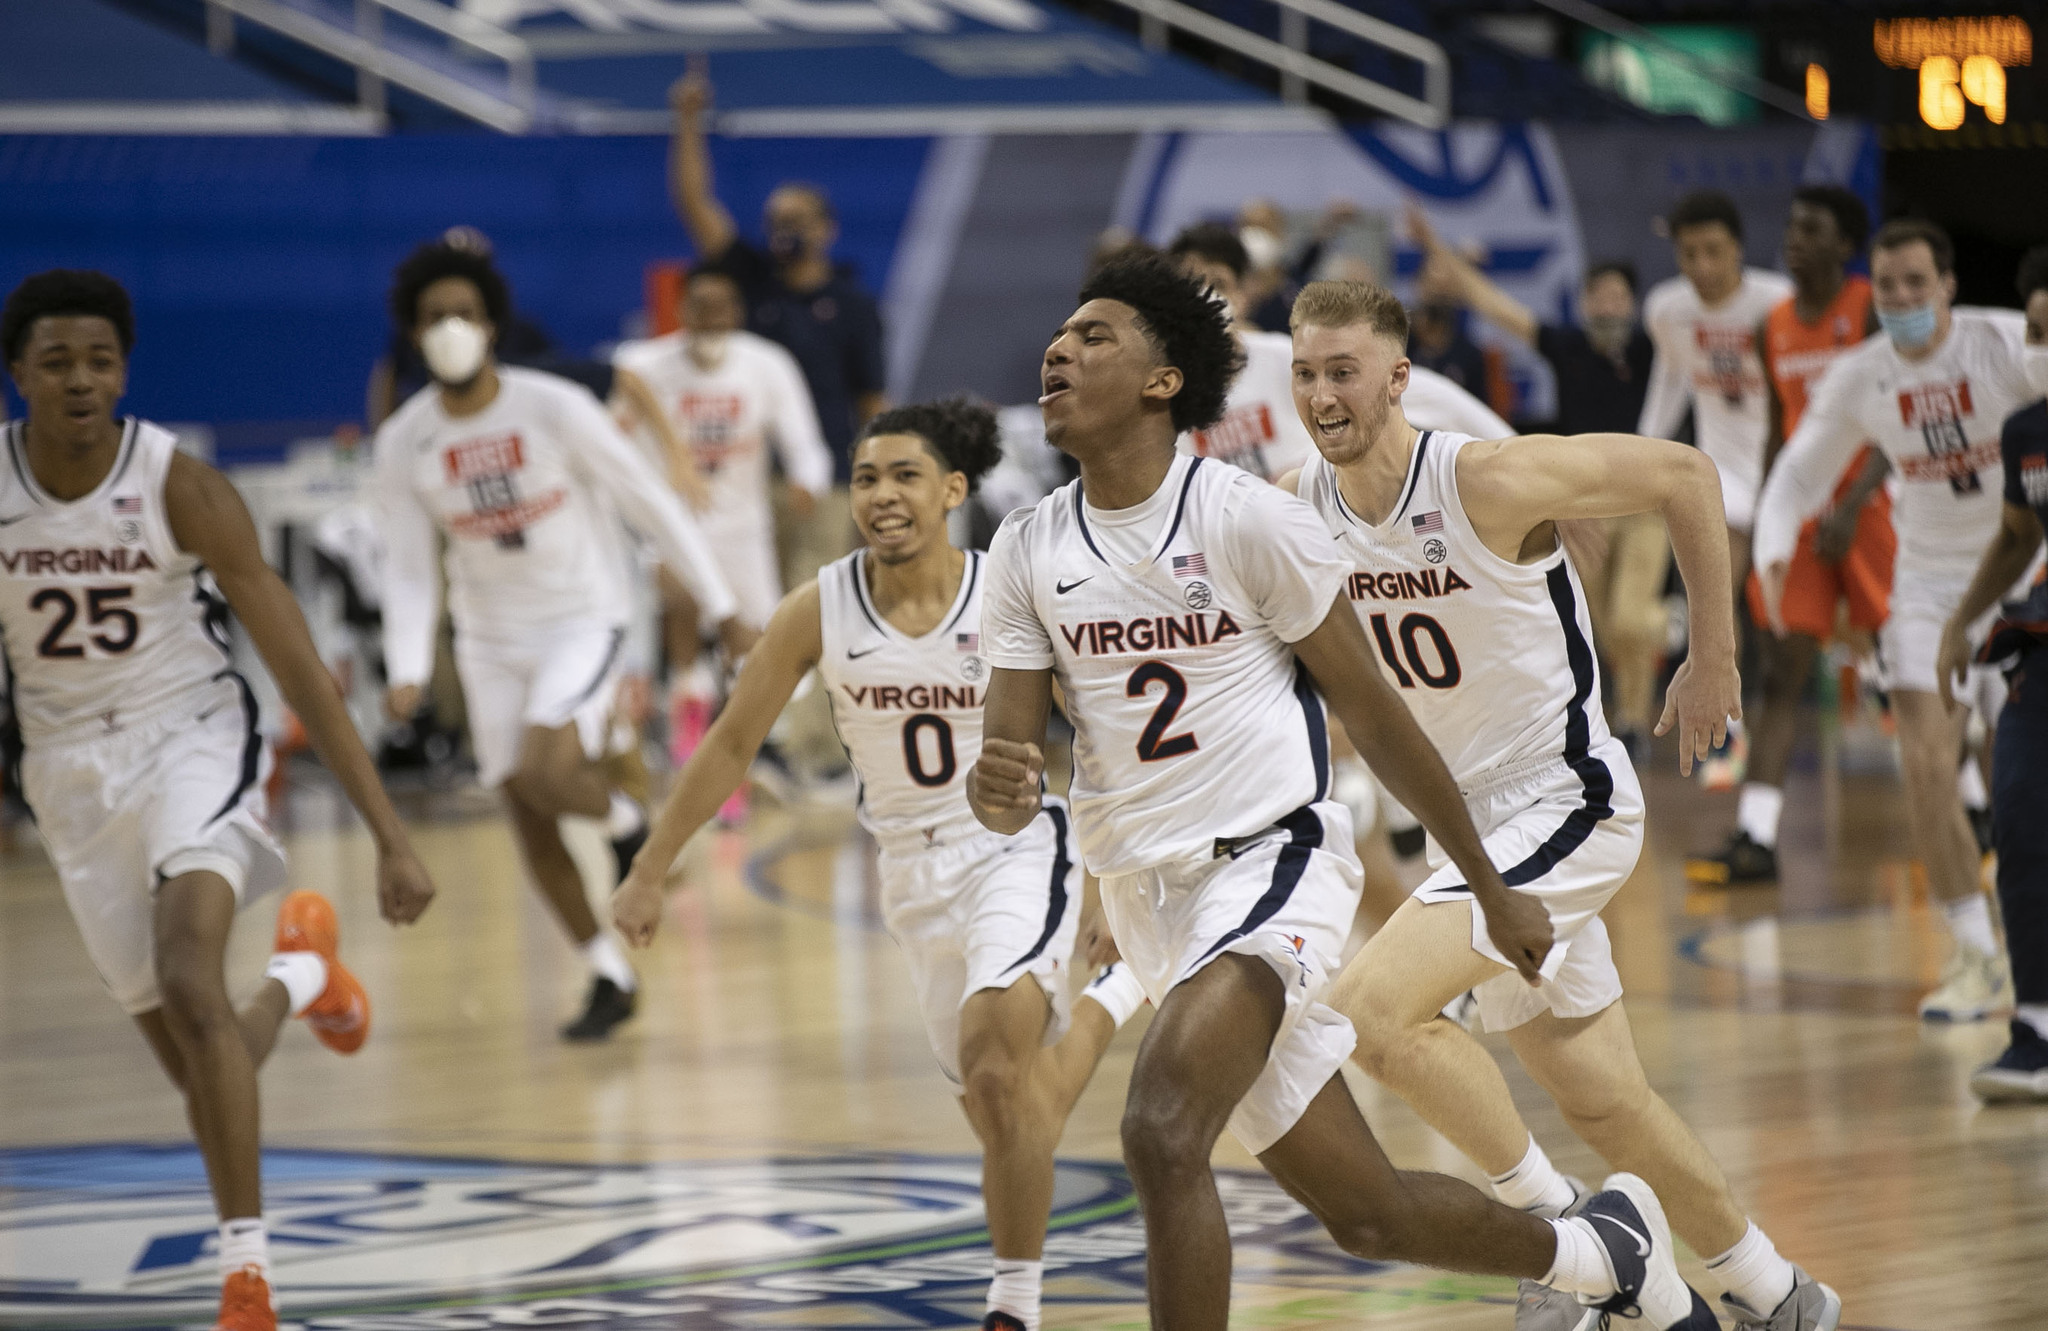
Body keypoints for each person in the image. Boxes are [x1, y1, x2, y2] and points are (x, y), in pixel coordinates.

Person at [969, 253, 1712, 1331]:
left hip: (1271, 865)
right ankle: (1600, 1254)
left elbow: (1371, 711)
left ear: (1162, 379)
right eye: (1059, 335)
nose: (1058, 349)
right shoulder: (1025, 548)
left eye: (1092, 337)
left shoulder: (1245, 515)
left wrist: (1484, 880)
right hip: (1147, 897)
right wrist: (999, 789)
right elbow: (1008, 781)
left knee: (1160, 1126)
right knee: (1363, 1214)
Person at [1280, 278, 1838, 1331]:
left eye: (1341, 370)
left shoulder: (1485, 476)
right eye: (1305, 372)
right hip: (1469, 829)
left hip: (1560, 797)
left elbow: (1682, 470)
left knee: (1366, 1017)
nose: (1319, 393)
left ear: (1396, 379)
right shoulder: (1290, 500)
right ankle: (1775, 1289)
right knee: (1602, 1097)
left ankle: (1580, 1241)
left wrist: (1710, 653)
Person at [613, 399, 1146, 1331]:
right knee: (1006, 1102)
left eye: (905, 475)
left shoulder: (1011, 591)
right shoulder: (817, 608)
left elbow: (1100, 738)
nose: (883, 494)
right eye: (866, 477)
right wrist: (652, 863)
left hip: (1017, 847)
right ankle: (1122, 988)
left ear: (951, 490)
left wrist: (1107, 870)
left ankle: (1011, 1306)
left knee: (994, 1064)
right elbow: (733, 742)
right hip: (907, 869)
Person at [0, 269, 438, 1330]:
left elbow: (298, 667)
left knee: (192, 976)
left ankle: (248, 1279)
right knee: (205, 1056)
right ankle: (303, 971)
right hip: (65, 771)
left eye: (99, 358)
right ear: (17, 373)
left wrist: (388, 833)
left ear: (124, 370)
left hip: (192, 737)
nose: (80, 378)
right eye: (55, 360)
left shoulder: (179, 485)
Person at [372, 239, 748, 1042]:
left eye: (463, 314)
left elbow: (648, 499)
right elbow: (408, 567)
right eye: (434, 316)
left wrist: (718, 602)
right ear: (412, 330)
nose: (450, 327)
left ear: (492, 324)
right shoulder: (403, 440)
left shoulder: (551, 406)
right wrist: (407, 667)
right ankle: (607, 974)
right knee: (522, 805)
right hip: (488, 639)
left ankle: (622, 820)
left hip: (584, 617)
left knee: (548, 767)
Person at [1756, 219, 2034, 1021]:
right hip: (1929, 585)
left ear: (1948, 285)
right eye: (1888, 287)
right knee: (1924, 760)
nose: (1903, 299)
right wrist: (1773, 547)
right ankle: (1977, 956)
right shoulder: (1861, 375)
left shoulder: (2007, 344)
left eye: (1918, 283)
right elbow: (1799, 470)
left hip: (2027, 566)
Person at [1410, 208, 1669, 760]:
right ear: (1583, 305)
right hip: (1586, 506)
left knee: (1628, 616)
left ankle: (1632, 720)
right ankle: (1628, 707)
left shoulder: (1653, 350)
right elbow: (1489, 304)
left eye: (1617, 295)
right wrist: (1437, 246)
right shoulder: (1566, 346)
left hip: (1644, 506)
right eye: (1596, 296)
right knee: (1600, 624)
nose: (1607, 305)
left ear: (1633, 303)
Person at [1690, 187, 1889, 884]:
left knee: (1907, 666)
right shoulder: (1770, 325)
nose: (1795, 238)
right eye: (1793, 225)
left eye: (1814, 229)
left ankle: (1978, 808)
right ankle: (1757, 837)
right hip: (1803, 516)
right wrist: (1779, 524)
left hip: (1871, 506)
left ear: (1844, 243)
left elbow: (1896, 419)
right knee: (1781, 672)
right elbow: (1778, 437)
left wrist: (1856, 499)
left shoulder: (1867, 306)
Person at [612, 260, 833, 801]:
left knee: (761, 644)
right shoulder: (642, 364)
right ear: (681, 309)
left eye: (721, 307)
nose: (710, 318)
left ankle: (762, 744)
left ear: (737, 311)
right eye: (699, 306)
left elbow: (805, 441)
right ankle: (690, 741)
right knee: (683, 616)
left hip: (743, 529)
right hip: (670, 528)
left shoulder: (765, 364)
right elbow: (610, 422)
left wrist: (808, 478)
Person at [668, 66, 887, 586]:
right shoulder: (752, 279)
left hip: (829, 478)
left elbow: (872, 402)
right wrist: (688, 121)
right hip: (751, 480)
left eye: (796, 222)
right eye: (775, 223)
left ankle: (817, 674)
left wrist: (873, 484)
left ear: (826, 230)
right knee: (750, 601)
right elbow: (695, 204)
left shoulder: (853, 304)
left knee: (811, 601)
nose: (783, 233)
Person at [1938, 246, 2048, 1099]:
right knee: (2017, 816)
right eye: (2035, 333)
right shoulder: (2026, 432)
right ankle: (2036, 1026)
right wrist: (1962, 618)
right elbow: (2017, 535)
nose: (2040, 349)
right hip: (2037, 643)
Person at [1639, 190, 1795, 785]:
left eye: (1713, 251)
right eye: (1688, 253)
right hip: (1720, 473)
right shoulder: (1667, 308)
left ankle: (1882, 681)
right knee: (1715, 596)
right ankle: (1726, 733)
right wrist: (1643, 460)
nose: (1701, 266)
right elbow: (1670, 384)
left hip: (1783, 473)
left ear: (1737, 248)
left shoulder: (1776, 302)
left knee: (1797, 615)